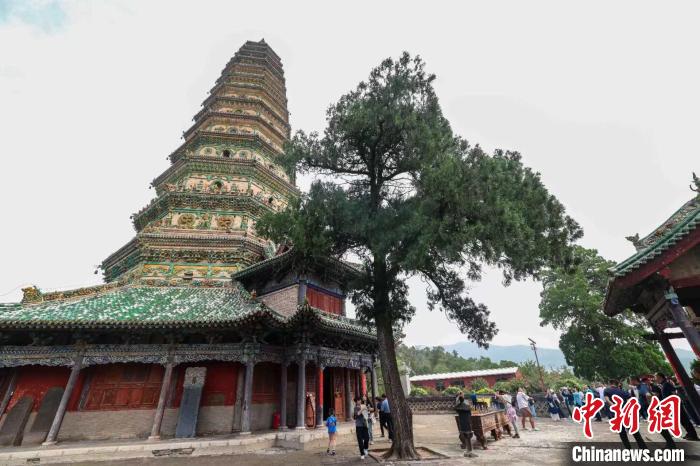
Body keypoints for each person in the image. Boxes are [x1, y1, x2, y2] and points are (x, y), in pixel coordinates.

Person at [604, 379, 648, 449]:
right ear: (618, 384)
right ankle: (644, 449)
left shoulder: (607, 390)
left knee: (622, 432)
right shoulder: (622, 391)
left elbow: (607, 400)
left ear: (610, 383)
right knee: (635, 432)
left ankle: (628, 450)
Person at [656, 372, 699, 441]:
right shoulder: (663, 384)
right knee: (682, 420)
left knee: (684, 420)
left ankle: (693, 435)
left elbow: (674, 393)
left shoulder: (666, 384)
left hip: (675, 405)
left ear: (660, 377)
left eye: (656, 377)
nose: (656, 379)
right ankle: (690, 434)